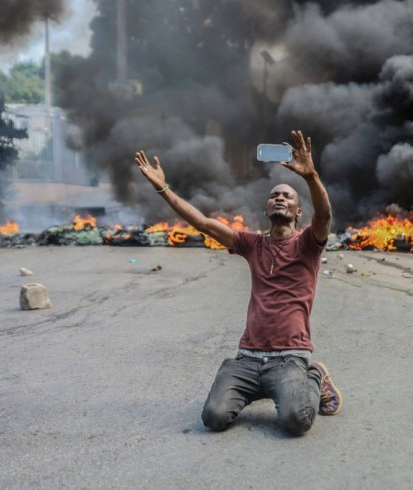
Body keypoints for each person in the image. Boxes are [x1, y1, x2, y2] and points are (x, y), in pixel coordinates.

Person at [134, 130, 342, 436]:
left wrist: (311, 177)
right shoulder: (251, 244)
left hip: (289, 358)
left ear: (298, 212)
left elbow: (324, 214)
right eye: (274, 195)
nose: (280, 198)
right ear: (267, 210)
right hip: (248, 358)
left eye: (287, 196)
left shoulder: (308, 244)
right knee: (214, 418)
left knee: (296, 421)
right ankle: (250, 385)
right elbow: (203, 223)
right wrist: (163, 189)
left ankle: (315, 378)